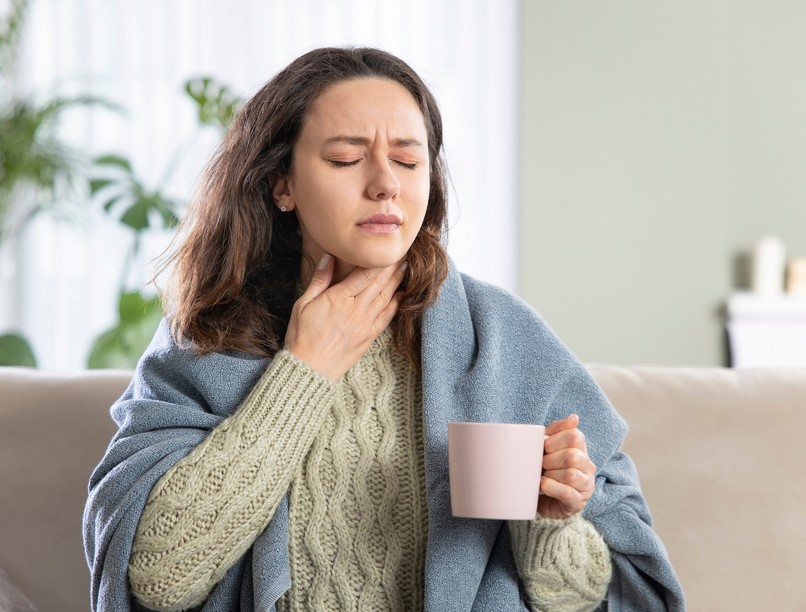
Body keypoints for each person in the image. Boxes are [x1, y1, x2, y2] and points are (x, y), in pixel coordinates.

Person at [83, 47, 685, 612]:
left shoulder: (504, 338)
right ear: (282, 184)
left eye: (407, 159)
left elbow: (595, 596)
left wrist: (547, 526)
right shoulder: (210, 332)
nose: (385, 184)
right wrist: (305, 370)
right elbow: (157, 577)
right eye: (346, 158)